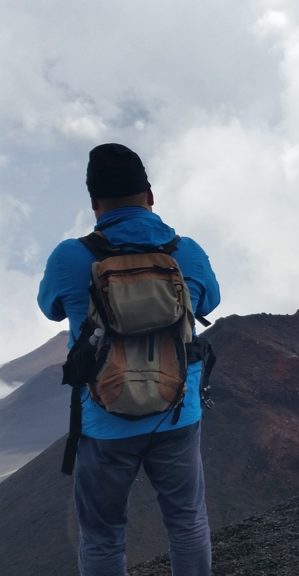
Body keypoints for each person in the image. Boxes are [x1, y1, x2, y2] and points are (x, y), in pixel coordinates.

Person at [37, 143, 220, 576]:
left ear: (95, 204)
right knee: (187, 523)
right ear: (150, 195)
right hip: (177, 412)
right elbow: (209, 299)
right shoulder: (187, 252)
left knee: (102, 536)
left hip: (103, 420)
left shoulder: (70, 256)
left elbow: (51, 307)